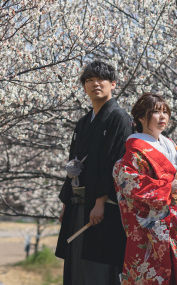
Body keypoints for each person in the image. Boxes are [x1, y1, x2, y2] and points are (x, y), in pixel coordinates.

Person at [113, 92, 177, 285]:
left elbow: (176, 174)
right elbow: (127, 180)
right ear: (140, 117)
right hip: (154, 227)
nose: (162, 117)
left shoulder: (169, 143)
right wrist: (166, 188)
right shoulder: (134, 149)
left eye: (165, 112)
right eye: (155, 112)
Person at [56, 60, 132, 285]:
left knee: (100, 262)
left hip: (103, 204)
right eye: (89, 80)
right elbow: (74, 164)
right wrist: (65, 204)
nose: (95, 84)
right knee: (77, 260)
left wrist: (101, 201)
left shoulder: (119, 118)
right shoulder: (82, 123)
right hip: (79, 200)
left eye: (101, 80)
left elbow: (116, 162)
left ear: (113, 84)